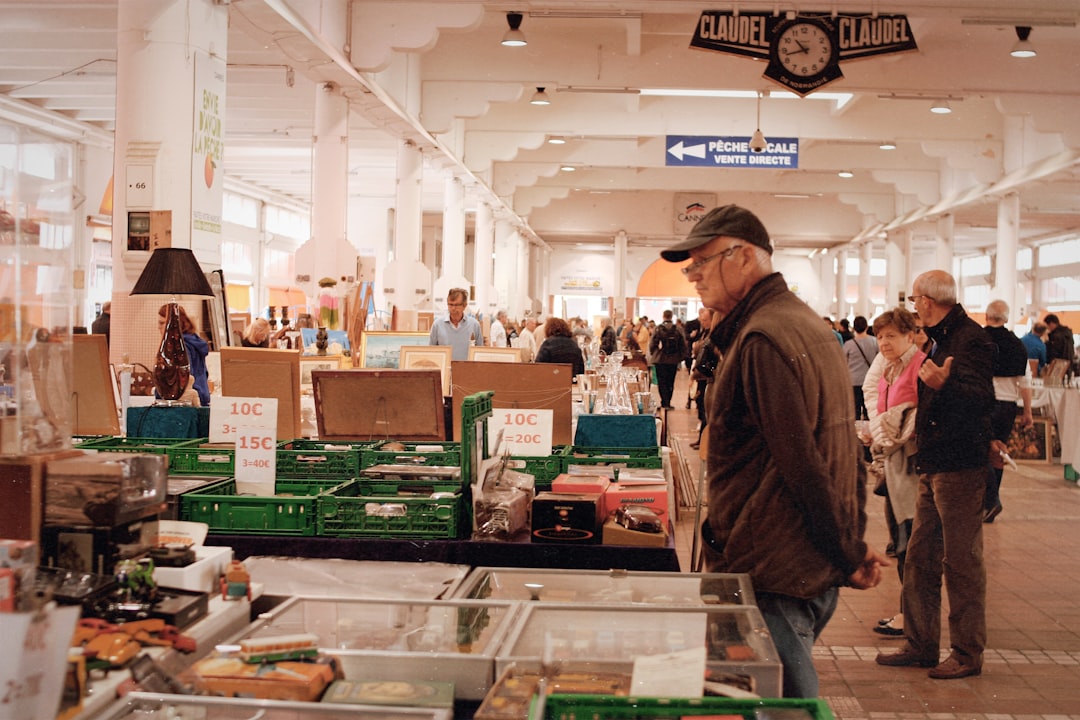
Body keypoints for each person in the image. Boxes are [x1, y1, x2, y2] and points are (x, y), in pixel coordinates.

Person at [660, 204, 886, 698]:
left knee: (779, 702)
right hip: (798, 561)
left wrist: (846, 550)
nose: (693, 277)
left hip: (772, 569)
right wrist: (847, 542)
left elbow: (803, 464)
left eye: (701, 263)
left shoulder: (763, 338)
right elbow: (840, 445)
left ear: (742, 257)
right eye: (689, 267)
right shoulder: (803, 323)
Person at [876, 270, 994, 680]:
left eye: (914, 299)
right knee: (921, 558)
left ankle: (966, 652)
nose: (914, 307)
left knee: (960, 561)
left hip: (959, 466)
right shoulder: (941, 336)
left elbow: (982, 398)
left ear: (927, 300)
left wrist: (945, 384)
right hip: (934, 462)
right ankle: (922, 643)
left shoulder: (971, 339)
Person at [864, 307, 926, 638]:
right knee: (901, 541)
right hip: (893, 464)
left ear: (910, 335)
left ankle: (912, 618)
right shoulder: (890, 367)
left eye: (891, 336)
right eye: (880, 336)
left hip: (910, 467)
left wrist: (888, 430)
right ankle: (908, 614)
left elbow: (914, 415)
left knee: (910, 543)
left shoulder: (918, 366)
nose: (884, 342)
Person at [982, 300, 1033, 523]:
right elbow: (1025, 383)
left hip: (983, 401)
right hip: (1007, 405)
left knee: (980, 449)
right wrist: (1027, 412)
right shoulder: (1017, 345)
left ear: (986, 316)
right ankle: (991, 502)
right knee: (999, 451)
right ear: (1006, 318)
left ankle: (990, 500)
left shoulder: (978, 339)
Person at [156, 304, 210, 406]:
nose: (158, 327)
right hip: (201, 398)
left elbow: (182, 380)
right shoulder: (194, 343)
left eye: (162, 323)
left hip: (184, 403)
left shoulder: (179, 347)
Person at [429, 288, 482, 361]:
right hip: (445, 370)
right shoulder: (437, 325)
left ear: (464, 305)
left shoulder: (474, 325)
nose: (453, 308)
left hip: (467, 370)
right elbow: (431, 352)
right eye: (450, 304)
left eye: (457, 305)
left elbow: (479, 353)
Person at [648, 309, 686, 410]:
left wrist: (654, 354)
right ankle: (668, 402)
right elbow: (683, 344)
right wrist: (680, 357)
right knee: (670, 381)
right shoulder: (678, 329)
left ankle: (664, 402)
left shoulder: (658, 329)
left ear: (663, 316)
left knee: (662, 381)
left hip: (660, 359)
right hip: (673, 360)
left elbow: (652, 344)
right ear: (671, 316)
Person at [843, 315, 878, 420]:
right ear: (867, 327)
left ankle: (858, 434)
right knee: (870, 410)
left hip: (854, 380)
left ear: (853, 327)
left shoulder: (848, 344)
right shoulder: (875, 341)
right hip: (871, 379)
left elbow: (844, 361)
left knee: (856, 411)